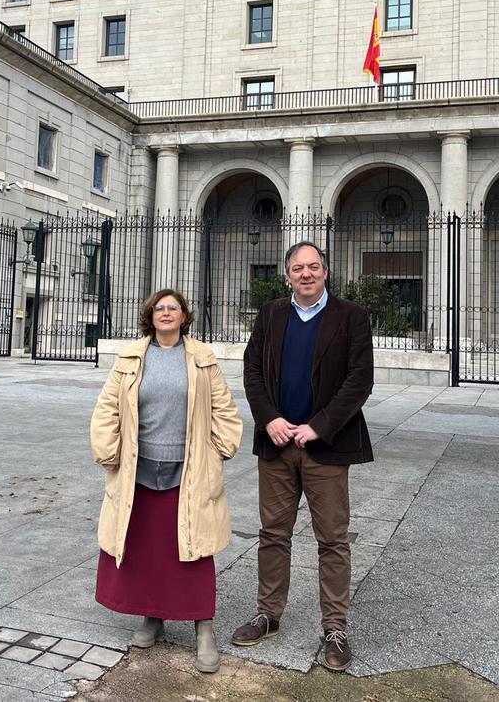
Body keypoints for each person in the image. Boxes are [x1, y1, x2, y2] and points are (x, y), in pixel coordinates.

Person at [230, 241, 374, 671]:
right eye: (298, 268)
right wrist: (269, 418)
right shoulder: (272, 314)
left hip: (325, 447)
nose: (306, 274)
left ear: (326, 272)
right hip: (277, 445)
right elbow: (252, 370)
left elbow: (359, 380)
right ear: (288, 275)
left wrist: (320, 425)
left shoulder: (351, 318)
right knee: (273, 534)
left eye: (313, 267)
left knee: (332, 539)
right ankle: (268, 614)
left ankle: (335, 628)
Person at [91, 288, 243, 674]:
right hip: (138, 470)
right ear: (150, 315)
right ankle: (152, 617)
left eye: (172, 307)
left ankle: (203, 628)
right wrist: (107, 448)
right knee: (146, 549)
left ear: (183, 315)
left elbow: (224, 406)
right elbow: (108, 406)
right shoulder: (130, 358)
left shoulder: (202, 358)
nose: (166, 313)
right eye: (159, 308)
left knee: (192, 549)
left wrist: (221, 449)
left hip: (187, 469)